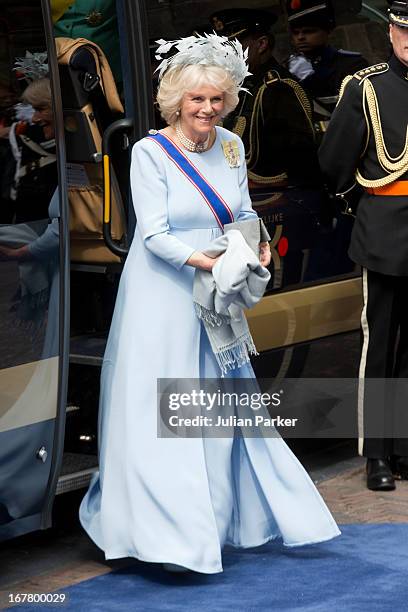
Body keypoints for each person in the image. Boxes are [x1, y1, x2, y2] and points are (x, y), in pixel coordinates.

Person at [79, 33, 339, 574]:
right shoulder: (150, 152)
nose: (207, 108)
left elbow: (241, 210)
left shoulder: (230, 146)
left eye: (217, 99)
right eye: (197, 99)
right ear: (175, 100)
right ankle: (166, 540)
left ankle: (215, 525)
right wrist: (216, 262)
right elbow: (153, 236)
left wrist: (257, 242)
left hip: (216, 297)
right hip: (163, 297)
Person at [319, 1, 408, 492]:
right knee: (380, 345)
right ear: (391, 30)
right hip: (385, 229)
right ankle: (377, 453)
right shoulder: (366, 85)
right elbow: (333, 162)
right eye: (402, 29)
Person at [213, 9, 319, 188]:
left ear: (261, 44)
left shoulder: (278, 88)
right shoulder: (240, 87)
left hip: (274, 201)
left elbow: (299, 163)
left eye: (231, 48)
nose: (224, 55)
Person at [286, 0, 368, 140]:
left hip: (343, 140)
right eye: (296, 33)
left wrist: (312, 79)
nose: (300, 37)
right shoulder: (287, 68)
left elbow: (355, 111)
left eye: (309, 31)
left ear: (328, 31)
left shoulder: (351, 64)